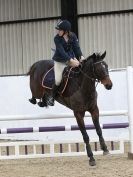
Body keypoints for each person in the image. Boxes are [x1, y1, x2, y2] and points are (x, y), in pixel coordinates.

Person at [50, 20, 85, 105]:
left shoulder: (73, 36)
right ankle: (52, 97)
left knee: (81, 69)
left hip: (71, 58)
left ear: (66, 31)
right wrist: (71, 60)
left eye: (60, 30)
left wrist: (81, 57)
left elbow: (77, 48)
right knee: (58, 80)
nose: (58, 31)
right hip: (60, 60)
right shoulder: (57, 38)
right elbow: (61, 52)